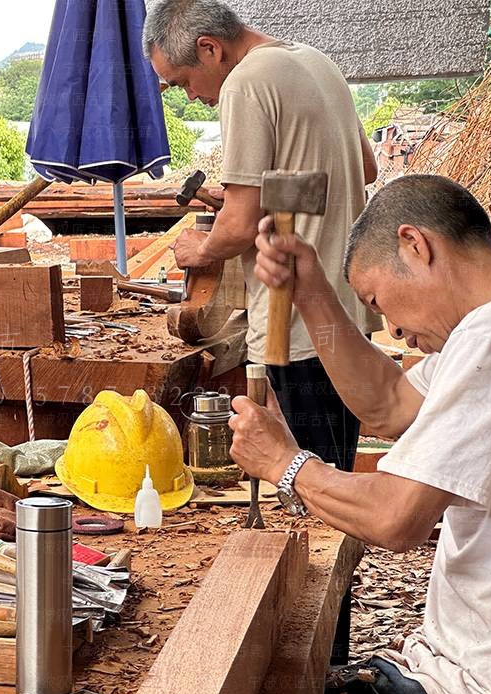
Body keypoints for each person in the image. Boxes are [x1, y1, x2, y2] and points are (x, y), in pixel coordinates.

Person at [230, 174, 491, 694]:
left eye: (377, 301)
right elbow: (390, 404)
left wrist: (286, 465)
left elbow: (397, 518)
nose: (392, 327)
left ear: (416, 246)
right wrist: (311, 295)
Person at [142, 0, 381, 474]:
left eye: (183, 81)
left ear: (209, 49)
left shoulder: (245, 84)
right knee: (336, 471)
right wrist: (252, 196)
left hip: (292, 322)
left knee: (310, 484)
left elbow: (239, 228)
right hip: (346, 314)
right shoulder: (318, 63)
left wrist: (200, 248)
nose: (189, 96)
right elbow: (360, 170)